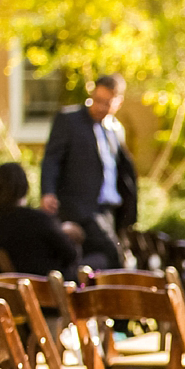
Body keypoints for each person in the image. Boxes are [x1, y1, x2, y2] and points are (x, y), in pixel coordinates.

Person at [40, 74, 136, 270]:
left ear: (118, 102)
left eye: (106, 103)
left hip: (109, 210)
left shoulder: (115, 129)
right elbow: (52, 158)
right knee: (112, 253)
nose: (100, 107)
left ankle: (79, 281)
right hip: (80, 208)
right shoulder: (69, 120)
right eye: (97, 100)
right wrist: (47, 191)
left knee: (105, 257)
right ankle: (71, 279)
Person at [0, 162, 80, 277]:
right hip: (47, 289)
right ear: (24, 187)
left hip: (7, 289)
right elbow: (71, 254)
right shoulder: (39, 220)